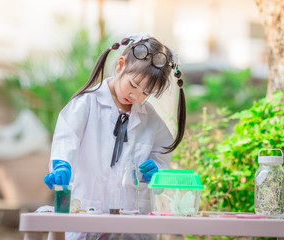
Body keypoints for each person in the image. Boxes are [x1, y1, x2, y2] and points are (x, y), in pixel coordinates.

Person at [44, 33, 186, 239]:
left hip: (131, 217)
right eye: (134, 85)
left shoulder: (151, 119)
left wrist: (157, 169)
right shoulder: (87, 104)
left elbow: (162, 152)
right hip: (88, 208)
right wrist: (62, 164)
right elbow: (67, 138)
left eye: (146, 92)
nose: (136, 96)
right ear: (120, 65)